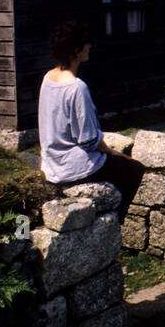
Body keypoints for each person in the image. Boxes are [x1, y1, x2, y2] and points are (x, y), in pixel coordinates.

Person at [38, 19, 143, 211]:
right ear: (77, 50)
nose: (90, 47)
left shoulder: (48, 78)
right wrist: (111, 152)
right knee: (134, 169)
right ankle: (114, 223)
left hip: (51, 164)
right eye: (87, 43)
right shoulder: (77, 87)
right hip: (72, 167)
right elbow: (89, 139)